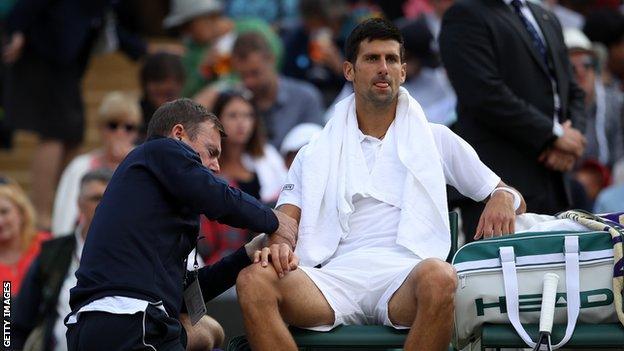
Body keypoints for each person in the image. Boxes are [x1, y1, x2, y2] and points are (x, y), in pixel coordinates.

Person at [235, 18, 526, 350]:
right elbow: (285, 219)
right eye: (372, 59)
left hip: (404, 277)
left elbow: (509, 194)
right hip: (332, 279)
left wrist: (503, 195)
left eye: (391, 59)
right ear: (349, 70)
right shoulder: (313, 151)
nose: (383, 68)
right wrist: (279, 244)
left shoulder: (437, 138)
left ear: (403, 71)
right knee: (253, 281)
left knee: (442, 277)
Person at [65, 98, 298, 350]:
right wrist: (275, 220)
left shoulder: (150, 203)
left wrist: (247, 253)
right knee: (210, 332)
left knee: (211, 333)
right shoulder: (159, 149)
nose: (216, 166)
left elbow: (186, 297)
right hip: (129, 318)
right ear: (178, 135)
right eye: (211, 152)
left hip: (103, 325)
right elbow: (216, 196)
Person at [439, 0, 587, 237]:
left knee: (556, 270)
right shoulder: (466, 14)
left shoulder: (545, 16)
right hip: (498, 186)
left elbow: (572, 90)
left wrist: (572, 140)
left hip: (555, 181)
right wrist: (553, 136)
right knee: (498, 272)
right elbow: (484, 93)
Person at [2, 0, 149, 231]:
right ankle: (41, 214)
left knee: (72, 136)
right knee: (54, 134)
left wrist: (144, 50)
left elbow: (106, 24)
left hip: (66, 61)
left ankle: (64, 207)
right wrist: (16, 30)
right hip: (47, 56)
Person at [14, 169, 113, 351]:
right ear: (79, 204)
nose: (102, 204)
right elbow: (18, 321)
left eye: (108, 197)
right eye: (95, 198)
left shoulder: (130, 250)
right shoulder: (53, 252)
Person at [198, 90, 287, 264]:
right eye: (233, 116)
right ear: (217, 121)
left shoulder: (267, 159)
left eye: (248, 116)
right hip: (219, 257)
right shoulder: (205, 164)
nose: (242, 123)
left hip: (263, 253)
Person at [51, 92, 141, 236]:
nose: (120, 132)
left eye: (128, 127)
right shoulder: (80, 166)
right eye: (113, 125)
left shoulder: (144, 165)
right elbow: (65, 217)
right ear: (100, 128)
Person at [163, 0, 283, 98]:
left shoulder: (255, 29)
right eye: (182, 29)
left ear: (209, 16)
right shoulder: (194, 50)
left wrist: (223, 87)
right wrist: (204, 71)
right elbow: (185, 95)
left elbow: (273, 66)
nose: (187, 33)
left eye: (188, 26)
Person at [230, 32, 325, 148]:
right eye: (243, 76)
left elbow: (317, 148)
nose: (249, 82)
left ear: (271, 60)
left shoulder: (305, 98)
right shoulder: (236, 103)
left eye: (255, 73)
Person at [564, 27, 624, 168]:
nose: (581, 72)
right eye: (572, 67)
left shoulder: (614, 104)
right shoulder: (555, 110)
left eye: (587, 64)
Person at [0, 180, 50, 296]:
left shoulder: (46, 245)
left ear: (22, 213)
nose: (0, 222)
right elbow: (6, 308)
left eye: (4, 212)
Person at [139, 52, 186, 140]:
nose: (163, 103)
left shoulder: (190, 118)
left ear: (181, 84)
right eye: (157, 93)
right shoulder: (134, 118)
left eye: (169, 94)